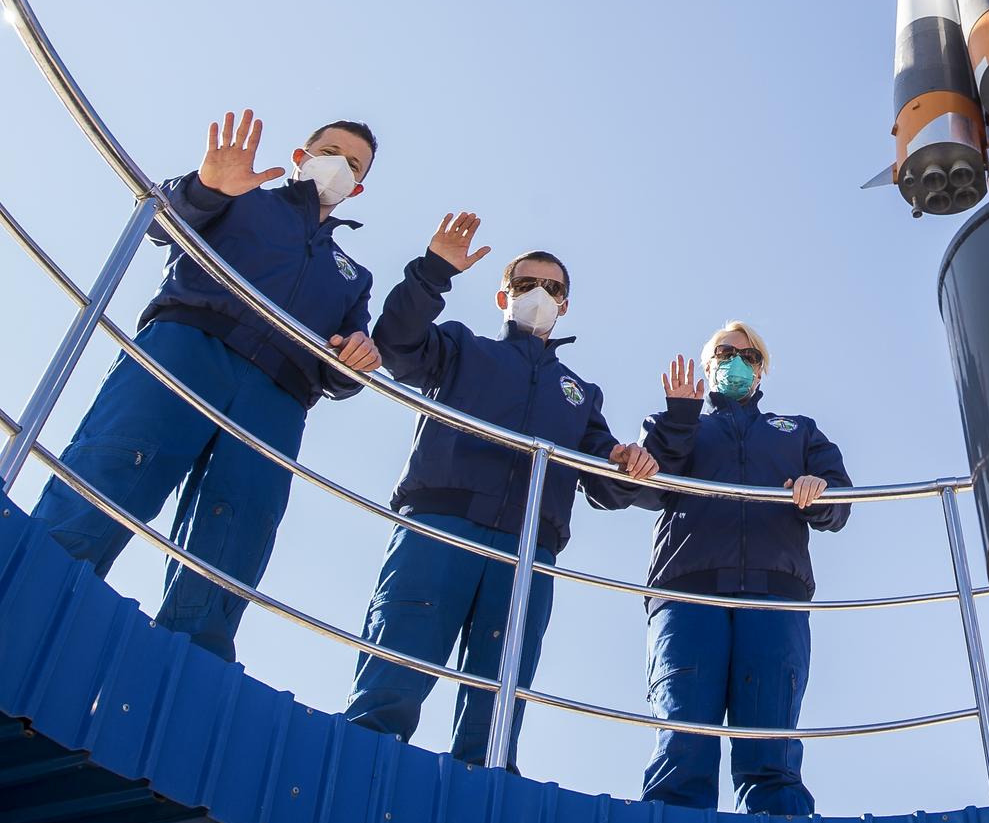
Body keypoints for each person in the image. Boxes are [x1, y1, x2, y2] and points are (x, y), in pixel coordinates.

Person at [32, 110, 381, 661]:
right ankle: (32, 589)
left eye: (353, 165)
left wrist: (358, 359)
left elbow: (343, 365)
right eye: (330, 152)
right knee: (116, 466)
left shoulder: (353, 276)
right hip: (188, 348)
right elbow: (159, 222)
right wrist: (207, 187)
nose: (340, 166)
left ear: (357, 189)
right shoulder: (239, 193)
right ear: (301, 156)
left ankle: (192, 661)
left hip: (279, 396)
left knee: (237, 524)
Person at [346, 211, 658, 767]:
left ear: (565, 305)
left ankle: (485, 787)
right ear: (503, 296)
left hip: (529, 547)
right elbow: (397, 346)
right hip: (441, 526)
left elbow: (604, 482)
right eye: (526, 283)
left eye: (552, 288)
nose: (539, 294)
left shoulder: (580, 393)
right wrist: (433, 271)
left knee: (498, 698)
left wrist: (624, 460)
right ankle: (359, 769)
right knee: (396, 667)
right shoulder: (462, 346)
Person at [634, 322, 852, 815]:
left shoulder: (799, 430)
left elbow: (840, 504)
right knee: (683, 743)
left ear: (761, 371)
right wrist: (679, 420)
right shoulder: (678, 424)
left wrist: (818, 492)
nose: (737, 362)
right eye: (725, 352)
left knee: (770, 749)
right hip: (688, 595)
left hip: (774, 596)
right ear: (707, 363)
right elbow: (645, 487)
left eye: (750, 356)